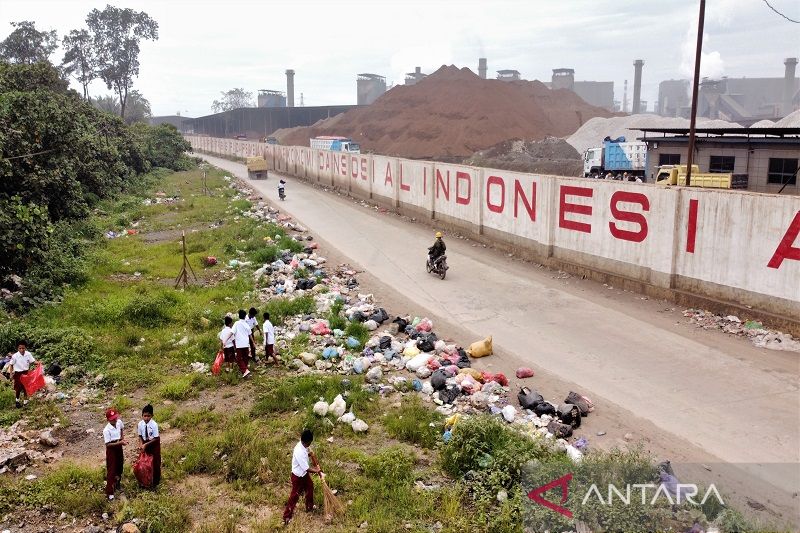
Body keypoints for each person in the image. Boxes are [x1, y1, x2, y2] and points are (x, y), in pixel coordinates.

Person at [283, 429, 322, 525]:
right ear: (307, 442)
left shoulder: (302, 446)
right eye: (310, 442)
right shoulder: (299, 451)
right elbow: (306, 468)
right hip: (298, 477)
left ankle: (309, 506)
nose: (310, 444)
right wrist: (317, 471)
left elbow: (305, 457)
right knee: (294, 496)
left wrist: (309, 454)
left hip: (304, 475)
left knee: (310, 487)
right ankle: (287, 516)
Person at [103, 408, 126, 500]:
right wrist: (119, 443)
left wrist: (122, 438)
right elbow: (108, 444)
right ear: (108, 420)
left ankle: (117, 483)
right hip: (112, 449)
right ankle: (110, 492)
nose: (115, 420)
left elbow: (121, 429)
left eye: (115, 417)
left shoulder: (119, 422)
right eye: (112, 419)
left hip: (119, 446)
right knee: (111, 469)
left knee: (120, 465)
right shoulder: (106, 430)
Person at [138, 404, 161, 487]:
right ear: (142, 415)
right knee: (145, 462)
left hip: (153, 444)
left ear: (152, 416)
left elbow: (156, 438)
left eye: (148, 416)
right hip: (145, 443)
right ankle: (145, 480)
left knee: (155, 462)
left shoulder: (154, 425)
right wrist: (141, 444)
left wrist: (146, 445)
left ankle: (155, 482)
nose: (146, 418)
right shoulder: (140, 424)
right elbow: (140, 436)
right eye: (144, 416)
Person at [10, 341, 35, 408]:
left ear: (25, 348)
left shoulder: (28, 354)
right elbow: (11, 365)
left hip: (26, 372)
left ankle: (25, 402)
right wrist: (11, 374)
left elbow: (33, 361)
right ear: (18, 348)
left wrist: (38, 363)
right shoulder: (15, 356)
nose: (21, 350)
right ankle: (17, 401)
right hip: (18, 373)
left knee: (25, 387)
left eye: (23, 348)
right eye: (20, 348)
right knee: (18, 388)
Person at [232, 309, 252, 378]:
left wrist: (225, 339)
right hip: (246, 344)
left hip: (239, 344)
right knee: (245, 358)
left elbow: (232, 332)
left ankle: (245, 371)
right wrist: (253, 343)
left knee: (239, 359)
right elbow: (250, 335)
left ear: (239, 316)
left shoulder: (236, 323)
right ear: (244, 316)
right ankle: (246, 371)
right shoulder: (247, 325)